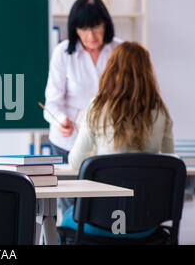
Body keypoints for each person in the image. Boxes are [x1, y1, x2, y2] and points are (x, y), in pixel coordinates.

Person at [60, 41, 174, 238]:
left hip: (101, 221)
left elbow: (75, 162)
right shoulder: (160, 111)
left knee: (65, 217)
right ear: (147, 72)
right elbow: (169, 159)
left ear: (111, 70)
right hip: (146, 223)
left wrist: (98, 156)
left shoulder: (97, 108)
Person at [43, 0, 122, 213]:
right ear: (75, 29)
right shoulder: (63, 53)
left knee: (105, 208)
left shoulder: (120, 51)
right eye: (83, 29)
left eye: (96, 27)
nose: (91, 35)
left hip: (109, 144)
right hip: (70, 142)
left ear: (106, 24)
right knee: (73, 209)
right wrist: (61, 120)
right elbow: (52, 101)